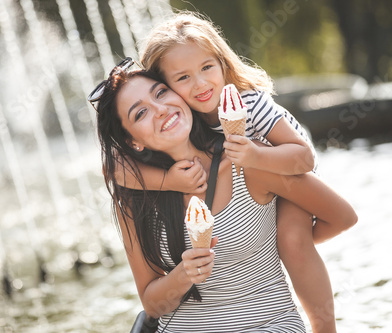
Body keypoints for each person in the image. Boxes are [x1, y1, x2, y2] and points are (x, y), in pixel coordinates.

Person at [104, 12, 344, 332]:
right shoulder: (135, 194)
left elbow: (308, 165)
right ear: (131, 140)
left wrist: (276, 242)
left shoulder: (247, 125)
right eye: (141, 112)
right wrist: (182, 274)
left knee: (293, 239)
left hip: (284, 158)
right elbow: (112, 169)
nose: (200, 84)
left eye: (160, 94)